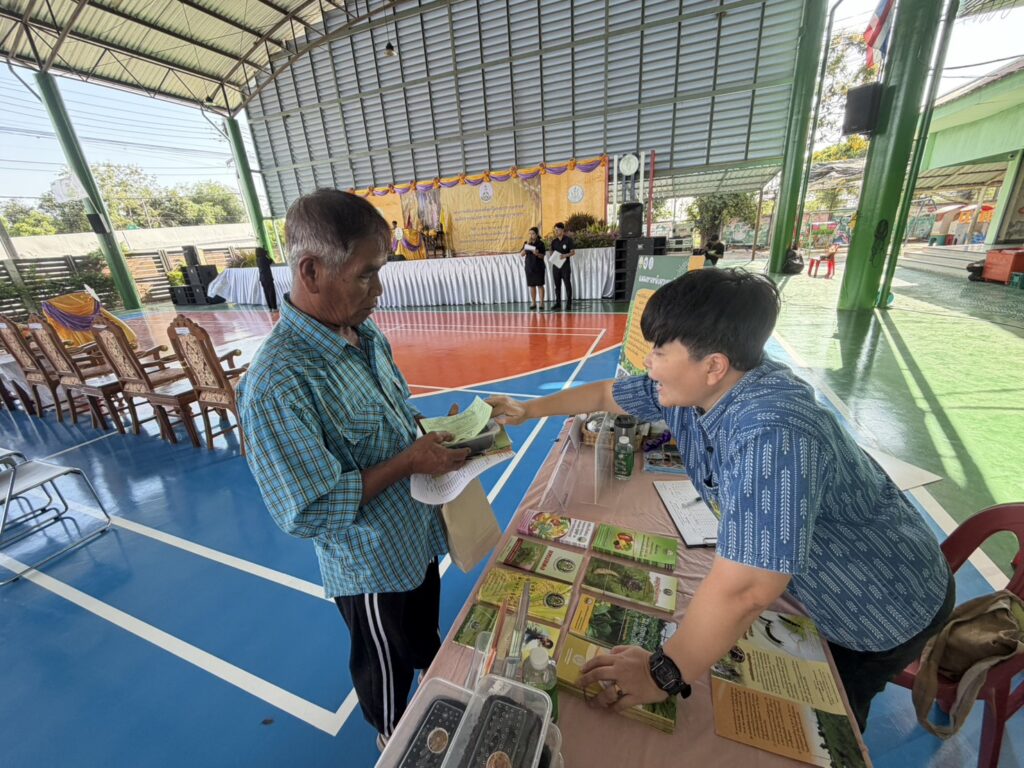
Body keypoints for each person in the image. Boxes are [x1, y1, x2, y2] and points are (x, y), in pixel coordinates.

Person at [487, 268, 954, 733]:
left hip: (875, 604)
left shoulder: (772, 434)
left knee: (823, 727)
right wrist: (530, 409)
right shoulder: (702, 386)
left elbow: (748, 587)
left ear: (713, 365)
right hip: (813, 583)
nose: (648, 362)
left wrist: (662, 672)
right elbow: (610, 394)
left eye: (660, 350)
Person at [239, 189, 470, 752]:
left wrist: (431, 432)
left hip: (417, 535)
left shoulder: (366, 336)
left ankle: (430, 698)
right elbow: (309, 508)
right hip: (371, 565)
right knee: (384, 669)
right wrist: (410, 460)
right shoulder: (278, 382)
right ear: (311, 271)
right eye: (366, 274)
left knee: (424, 638)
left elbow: (393, 414)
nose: (379, 290)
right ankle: (393, 741)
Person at [548, 222, 576, 311]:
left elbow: (573, 252)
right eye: (555, 230)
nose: (556, 231)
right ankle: (558, 303)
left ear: (562, 230)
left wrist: (564, 255)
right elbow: (551, 252)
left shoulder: (568, 240)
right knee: (557, 285)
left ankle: (569, 303)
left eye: (557, 230)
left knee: (567, 284)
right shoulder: (554, 241)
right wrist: (551, 254)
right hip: (556, 266)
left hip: (565, 266)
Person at [520, 226, 547, 309]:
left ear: (537, 234)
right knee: (532, 285)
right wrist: (526, 246)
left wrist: (537, 254)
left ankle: (541, 303)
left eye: (533, 233)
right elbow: (522, 254)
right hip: (529, 267)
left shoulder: (540, 243)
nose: (531, 235)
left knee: (540, 285)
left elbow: (543, 256)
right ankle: (533, 302)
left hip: (538, 267)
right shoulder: (527, 243)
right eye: (530, 234)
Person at [255, 247, 278, 312]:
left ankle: (270, 308)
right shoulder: (264, 258)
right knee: (271, 293)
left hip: (262, 279)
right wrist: (267, 255)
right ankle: (274, 308)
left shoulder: (257, 259)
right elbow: (271, 261)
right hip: (268, 278)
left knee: (266, 293)